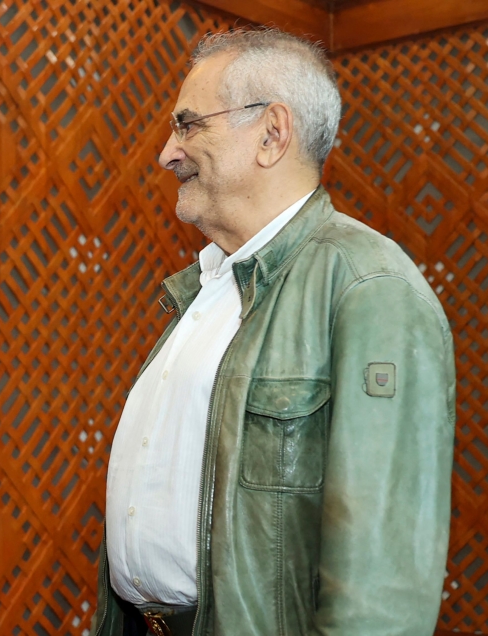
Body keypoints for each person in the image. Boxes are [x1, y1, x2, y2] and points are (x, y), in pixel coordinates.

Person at [95, 29, 455, 636]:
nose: (166, 153)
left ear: (272, 133)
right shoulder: (208, 285)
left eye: (188, 125)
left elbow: (382, 587)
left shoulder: (369, 289)